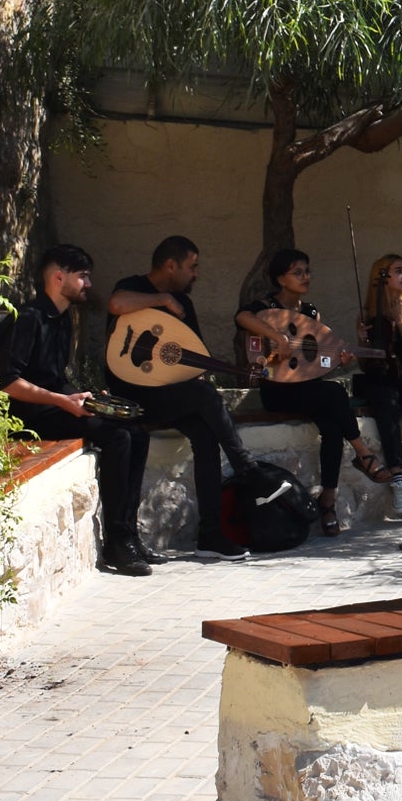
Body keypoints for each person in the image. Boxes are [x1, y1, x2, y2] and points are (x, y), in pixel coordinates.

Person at [104, 235, 266, 560]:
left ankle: (210, 536)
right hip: (132, 393)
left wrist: (219, 371)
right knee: (204, 396)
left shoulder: (185, 305)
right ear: (170, 265)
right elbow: (116, 305)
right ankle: (246, 467)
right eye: (192, 267)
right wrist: (162, 299)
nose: (197, 274)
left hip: (167, 393)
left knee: (206, 433)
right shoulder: (133, 286)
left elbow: (192, 361)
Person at [0, 243, 152, 577]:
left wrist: (89, 398)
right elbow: (8, 383)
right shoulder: (28, 318)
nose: (89, 284)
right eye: (83, 276)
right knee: (118, 438)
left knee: (137, 432)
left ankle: (128, 532)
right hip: (29, 418)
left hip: (53, 408)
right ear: (58, 277)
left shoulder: (63, 319)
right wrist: (61, 401)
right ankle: (116, 539)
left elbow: (55, 378)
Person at [236, 247, 398, 537]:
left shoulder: (311, 313)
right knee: (335, 395)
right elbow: (242, 318)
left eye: (307, 271)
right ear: (280, 279)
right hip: (277, 389)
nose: (305, 277)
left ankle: (327, 499)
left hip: (307, 389)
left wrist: (338, 359)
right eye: (297, 272)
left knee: (333, 427)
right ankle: (363, 455)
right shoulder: (264, 306)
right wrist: (277, 337)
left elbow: (317, 362)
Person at [354, 253, 402, 518]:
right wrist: (363, 342)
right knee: (385, 408)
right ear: (383, 277)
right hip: (384, 378)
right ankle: (398, 478)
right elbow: (367, 365)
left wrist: (400, 323)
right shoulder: (370, 315)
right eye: (398, 270)